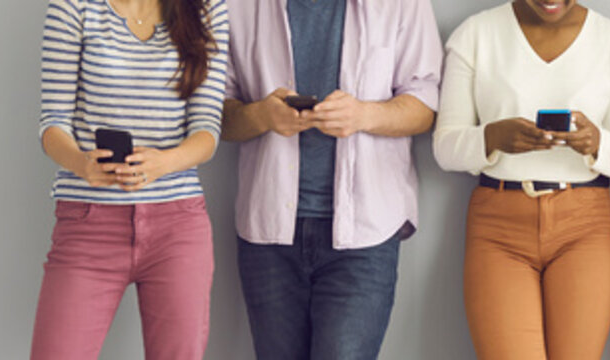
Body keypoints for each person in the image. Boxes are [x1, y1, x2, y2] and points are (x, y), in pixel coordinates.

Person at [215, 0, 442, 357]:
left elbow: (425, 105)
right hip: (269, 231)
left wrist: (364, 115)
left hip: (366, 232)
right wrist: (262, 116)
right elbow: (215, 116)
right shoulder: (237, 6)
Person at [432, 0, 610, 358]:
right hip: (498, 229)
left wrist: (597, 143)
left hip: (584, 227)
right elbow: (444, 147)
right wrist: (493, 137)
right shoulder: (475, 35)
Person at [30, 0, 228, 358]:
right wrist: (81, 162)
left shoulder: (207, 8)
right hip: (88, 223)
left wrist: (164, 163)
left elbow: (207, 128)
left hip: (178, 227)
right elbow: (52, 121)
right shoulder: (73, 7)